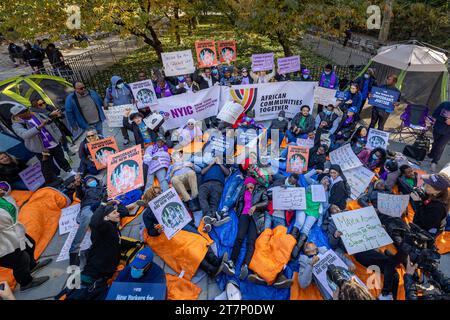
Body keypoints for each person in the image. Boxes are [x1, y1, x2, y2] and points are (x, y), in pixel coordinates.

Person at [141, 186, 230, 278]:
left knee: (199, 238)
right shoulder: (147, 214)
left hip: (181, 225)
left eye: (161, 192)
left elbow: (181, 213)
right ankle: (210, 269)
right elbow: (150, 231)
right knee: (189, 249)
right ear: (151, 196)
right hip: (169, 232)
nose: (160, 194)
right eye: (157, 193)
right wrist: (158, 231)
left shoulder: (169, 200)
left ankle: (214, 260)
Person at [66, 202, 131, 300]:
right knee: (80, 293)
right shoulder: (104, 227)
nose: (118, 213)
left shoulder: (111, 223)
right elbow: (94, 222)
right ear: (105, 218)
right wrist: (102, 205)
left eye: (117, 212)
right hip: (95, 271)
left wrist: (119, 203)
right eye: (114, 213)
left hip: (104, 272)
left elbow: (125, 212)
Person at [0, 181, 52, 291]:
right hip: (2, 241)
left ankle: (31, 266)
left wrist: (3, 191)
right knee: (20, 260)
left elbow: (6, 186)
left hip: (10, 230)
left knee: (30, 244)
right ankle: (26, 282)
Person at [11, 105, 74, 185]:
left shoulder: (38, 115)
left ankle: (69, 171)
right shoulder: (17, 125)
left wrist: (58, 136)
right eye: (23, 112)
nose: (27, 112)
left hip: (53, 142)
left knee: (61, 157)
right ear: (18, 115)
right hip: (40, 148)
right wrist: (40, 126)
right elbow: (25, 135)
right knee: (49, 163)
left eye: (26, 109)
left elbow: (52, 125)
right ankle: (57, 177)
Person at [223, 176, 268, 280]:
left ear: (254, 185)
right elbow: (240, 201)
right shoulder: (244, 191)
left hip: (256, 217)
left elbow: (266, 203)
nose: (249, 189)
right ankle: (232, 262)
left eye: (251, 187)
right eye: (247, 188)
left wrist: (256, 206)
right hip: (244, 215)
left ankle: (245, 265)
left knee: (251, 242)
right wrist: (237, 209)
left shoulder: (261, 190)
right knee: (239, 238)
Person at [69, 175, 111, 266]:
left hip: (101, 205)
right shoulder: (85, 191)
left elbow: (108, 196)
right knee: (88, 217)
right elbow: (79, 194)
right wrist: (78, 185)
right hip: (88, 207)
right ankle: (74, 250)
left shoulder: (102, 188)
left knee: (112, 214)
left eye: (93, 179)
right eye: (88, 181)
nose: (91, 181)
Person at [198, 156, 231, 232]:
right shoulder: (208, 164)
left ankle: (208, 223)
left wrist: (219, 164)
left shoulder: (223, 165)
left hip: (218, 184)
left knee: (214, 203)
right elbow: (202, 172)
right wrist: (211, 164)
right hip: (206, 183)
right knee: (201, 196)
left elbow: (227, 173)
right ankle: (211, 216)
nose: (216, 158)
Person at [104, 76, 135, 145]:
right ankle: (126, 138)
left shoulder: (127, 86)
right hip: (118, 110)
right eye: (118, 83)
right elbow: (107, 98)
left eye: (121, 82)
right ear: (114, 83)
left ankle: (137, 134)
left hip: (129, 108)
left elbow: (134, 94)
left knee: (133, 122)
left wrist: (134, 100)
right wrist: (106, 103)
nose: (121, 83)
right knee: (122, 125)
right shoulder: (109, 90)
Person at [428, 101, 450, 172]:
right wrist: (444, 120)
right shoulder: (444, 104)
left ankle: (434, 162)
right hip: (438, 128)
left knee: (441, 145)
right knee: (435, 143)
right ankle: (431, 154)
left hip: (448, 132)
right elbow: (435, 114)